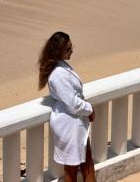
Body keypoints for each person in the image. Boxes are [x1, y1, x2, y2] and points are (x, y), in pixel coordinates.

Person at [38, 32, 96, 182]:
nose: (72, 52)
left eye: (72, 48)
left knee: (87, 164)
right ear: (58, 51)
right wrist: (89, 109)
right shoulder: (58, 74)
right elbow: (72, 103)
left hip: (75, 124)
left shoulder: (60, 66)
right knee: (71, 169)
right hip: (70, 125)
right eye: (68, 50)